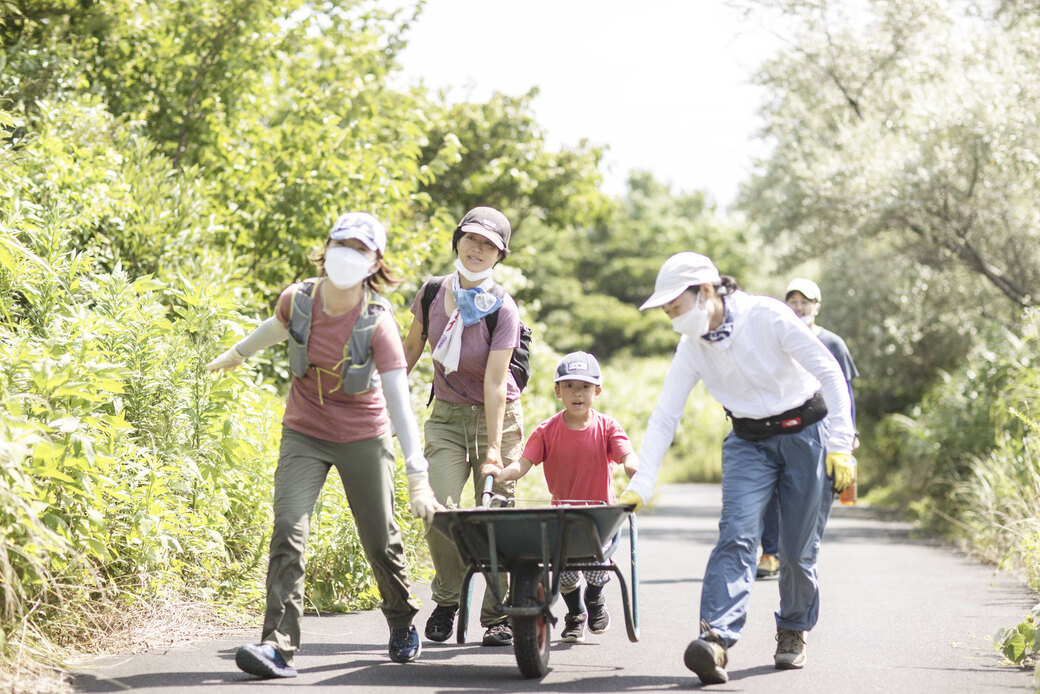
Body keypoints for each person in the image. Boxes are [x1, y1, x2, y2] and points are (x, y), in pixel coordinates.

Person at [205, 212, 441, 678]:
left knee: (380, 540)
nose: (347, 256)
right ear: (326, 248)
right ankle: (277, 646)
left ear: (375, 261)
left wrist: (418, 478)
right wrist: (238, 353)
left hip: (363, 437)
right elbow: (278, 327)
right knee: (288, 529)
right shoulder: (299, 298)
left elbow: (400, 403)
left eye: (360, 249)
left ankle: (400, 618)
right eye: (341, 244)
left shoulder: (378, 324)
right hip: (304, 432)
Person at [618, 252, 855, 685]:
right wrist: (643, 481)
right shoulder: (691, 348)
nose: (672, 319)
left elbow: (830, 372)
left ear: (706, 291)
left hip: (807, 432)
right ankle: (716, 640)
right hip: (748, 441)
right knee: (737, 534)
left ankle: (793, 628)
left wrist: (841, 445)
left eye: (676, 308)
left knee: (798, 551)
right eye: (667, 312)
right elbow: (665, 415)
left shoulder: (766, 316)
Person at [402, 206, 524, 648]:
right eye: (471, 239)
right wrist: (387, 409)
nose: (477, 249)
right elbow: (410, 351)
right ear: (457, 240)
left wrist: (495, 448)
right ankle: (449, 598)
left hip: (499, 419)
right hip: (447, 417)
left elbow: (495, 381)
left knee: (497, 518)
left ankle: (498, 616)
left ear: (499, 255)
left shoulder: (503, 309)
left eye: (489, 244)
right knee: (438, 510)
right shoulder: (433, 292)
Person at [481, 351, 639, 643]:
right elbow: (523, 464)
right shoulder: (546, 431)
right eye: (568, 386)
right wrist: (501, 473)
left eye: (585, 387)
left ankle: (594, 598)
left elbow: (626, 455)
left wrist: (634, 468)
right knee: (565, 575)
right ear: (557, 391)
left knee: (595, 570)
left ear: (597, 391)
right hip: (563, 517)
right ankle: (575, 612)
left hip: (598, 517)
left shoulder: (607, 427)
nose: (577, 393)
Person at [757, 277, 859, 579]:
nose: (799, 307)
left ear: (817, 306)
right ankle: (771, 553)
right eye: (794, 301)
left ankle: (802, 554)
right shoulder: (776, 339)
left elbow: (846, 391)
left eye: (805, 301)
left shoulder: (832, 343)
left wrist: (849, 433)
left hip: (825, 431)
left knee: (810, 494)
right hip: (780, 429)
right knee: (771, 492)